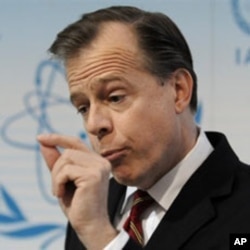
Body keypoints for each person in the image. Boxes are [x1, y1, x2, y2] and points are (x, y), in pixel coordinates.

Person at [37, 5, 250, 250]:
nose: (94, 124)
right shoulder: (94, 206)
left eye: (115, 97)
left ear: (179, 91)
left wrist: (103, 239)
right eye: (83, 108)